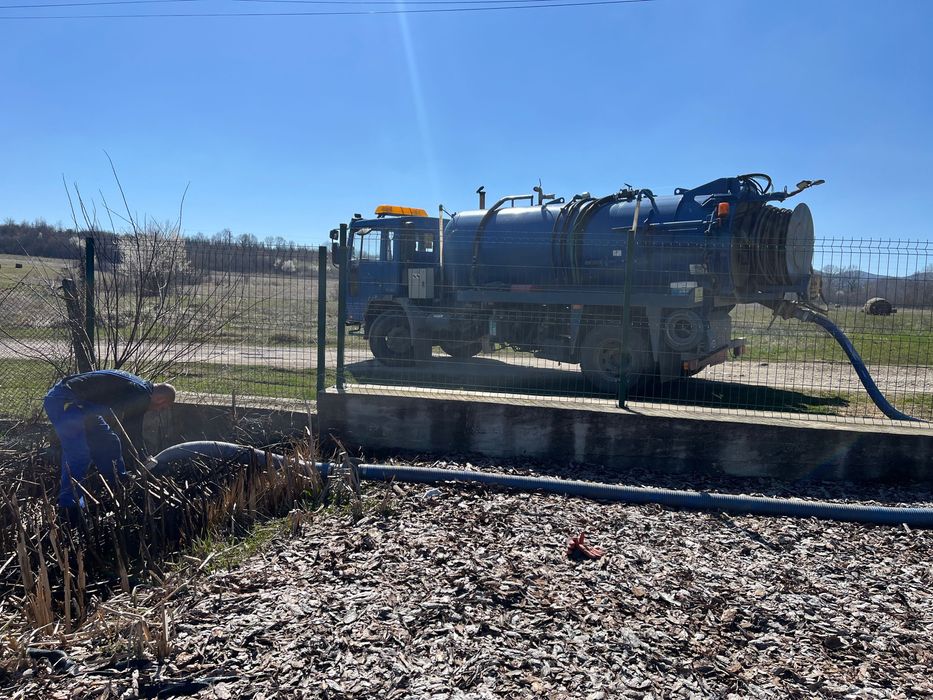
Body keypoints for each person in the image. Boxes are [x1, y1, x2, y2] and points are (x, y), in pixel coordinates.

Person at [43, 369, 175, 508]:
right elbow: (132, 429)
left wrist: (143, 457)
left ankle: (120, 484)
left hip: (84, 406)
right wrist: (144, 459)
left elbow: (131, 430)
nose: (158, 410)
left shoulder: (140, 388)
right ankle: (70, 505)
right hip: (66, 401)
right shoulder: (142, 394)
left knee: (109, 443)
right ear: (160, 399)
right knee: (78, 454)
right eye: (162, 407)